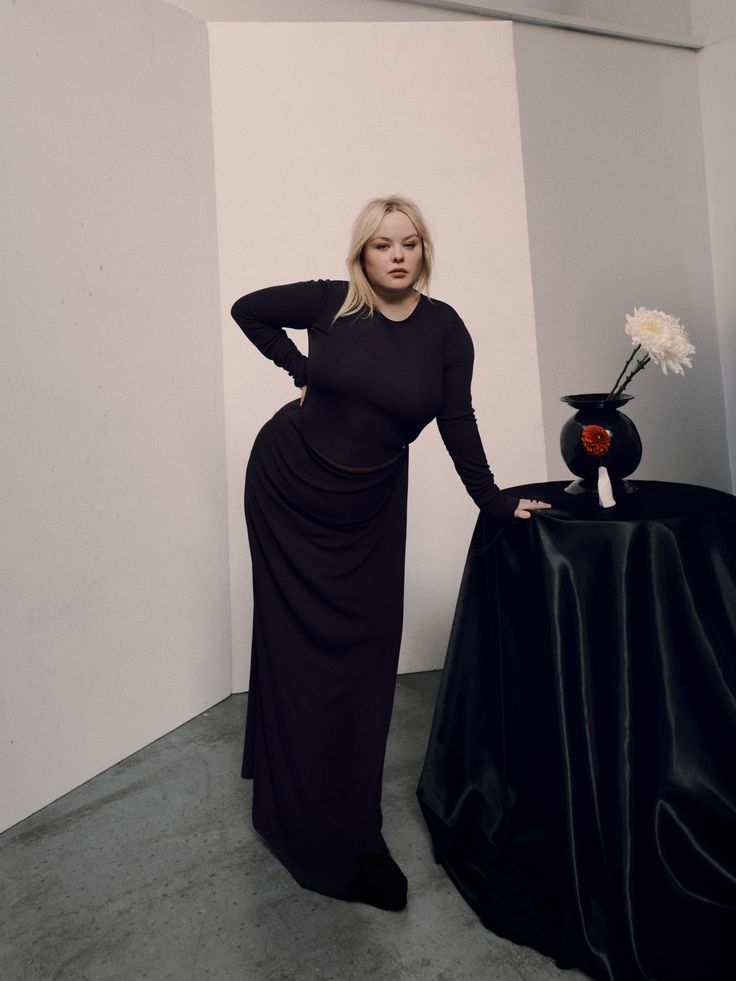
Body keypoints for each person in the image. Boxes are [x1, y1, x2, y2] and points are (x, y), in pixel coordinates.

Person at [231, 195, 550, 912]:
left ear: (424, 252)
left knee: (365, 656)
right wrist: (297, 369)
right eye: (382, 245)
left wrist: (493, 499)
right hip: (287, 486)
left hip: (369, 506)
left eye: (409, 243)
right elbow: (247, 308)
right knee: (294, 648)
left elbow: (456, 418)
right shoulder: (332, 304)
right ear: (362, 254)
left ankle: (349, 817)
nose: (397, 255)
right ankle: (308, 817)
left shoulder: (445, 330)